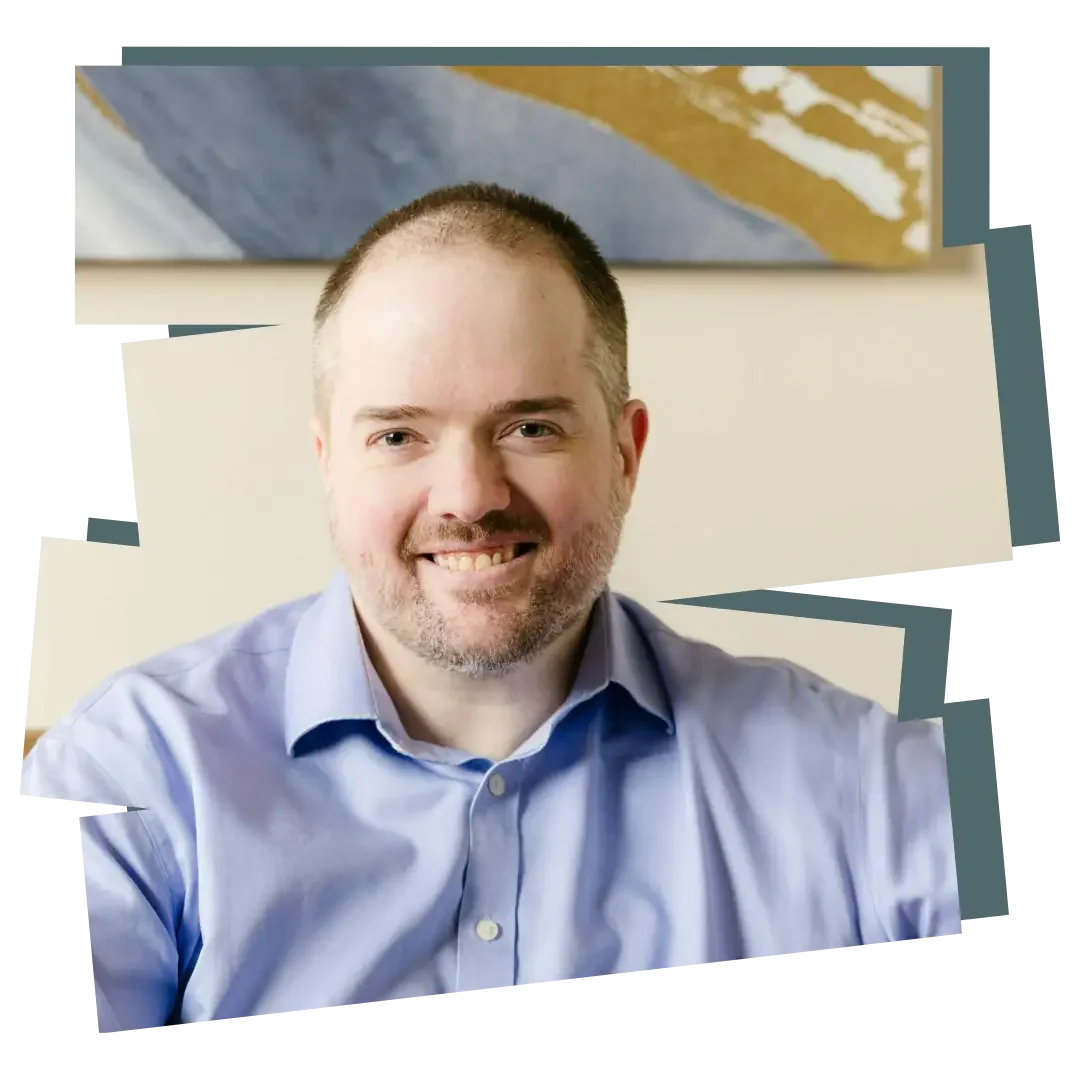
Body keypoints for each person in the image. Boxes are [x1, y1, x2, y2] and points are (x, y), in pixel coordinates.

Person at [22, 183, 961, 1032]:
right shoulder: (136, 779)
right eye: (399, 435)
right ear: (328, 463)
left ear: (626, 454)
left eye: (529, 427)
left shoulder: (866, 790)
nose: (468, 495)